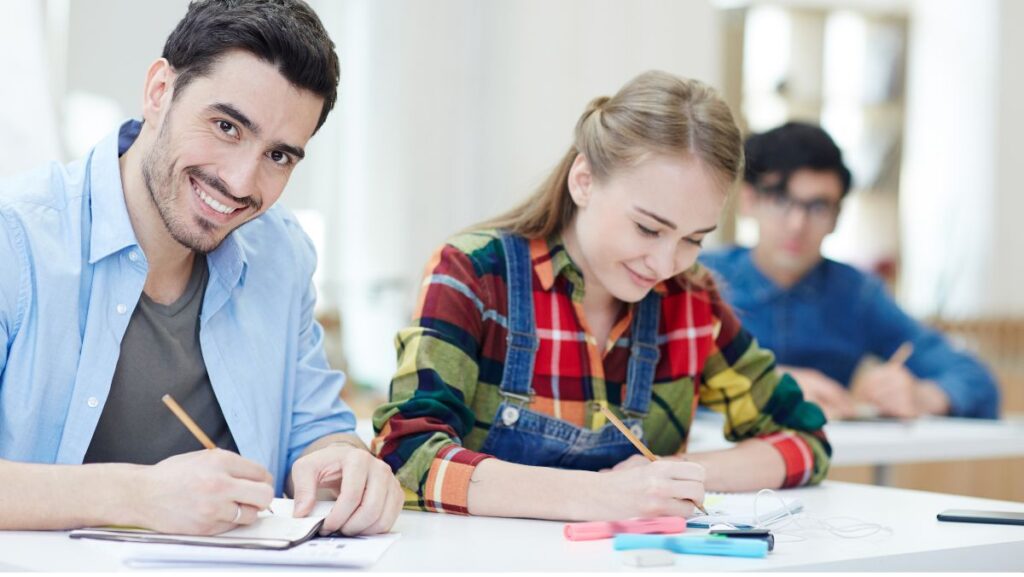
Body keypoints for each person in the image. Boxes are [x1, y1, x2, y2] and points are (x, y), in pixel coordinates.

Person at [0, 0, 402, 536]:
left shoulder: (281, 254)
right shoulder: (17, 239)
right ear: (159, 92)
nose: (241, 182)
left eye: (278, 156)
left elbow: (316, 431)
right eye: (226, 126)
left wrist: (345, 463)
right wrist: (137, 498)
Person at [371, 71, 831, 522]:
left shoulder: (692, 304)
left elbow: (805, 439)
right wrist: (597, 495)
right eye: (648, 228)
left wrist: (678, 475)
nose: (665, 264)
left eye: (693, 239)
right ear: (584, 180)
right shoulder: (474, 273)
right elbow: (405, 455)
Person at [700, 122, 999, 420]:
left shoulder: (857, 296)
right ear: (749, 200)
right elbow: (660, 379)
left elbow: (977, 381)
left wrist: (923, 396)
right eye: (781, 200)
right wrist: (763, 382)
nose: (797, 224)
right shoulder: (699, 280)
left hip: (821, 464)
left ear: (837, 217)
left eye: (818, 207)